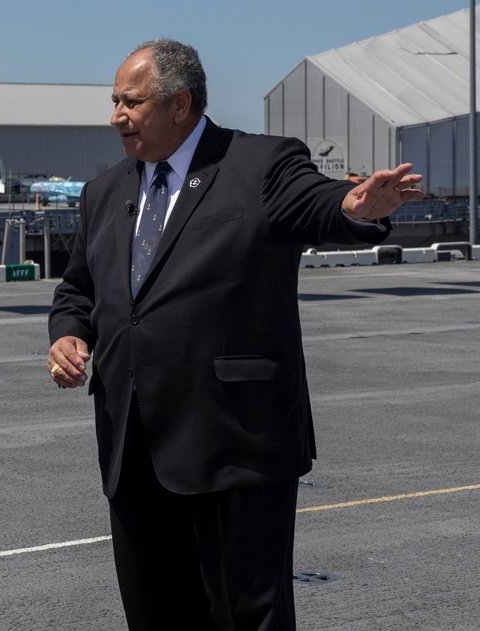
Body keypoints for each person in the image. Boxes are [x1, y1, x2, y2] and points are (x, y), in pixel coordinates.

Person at [46, 40, 424, 630]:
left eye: (131, 102)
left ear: (181, 104)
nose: (116, 116)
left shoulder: (260, 164)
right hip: (133, 445)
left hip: (234, 444)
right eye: (115, 101)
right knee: (156, 615)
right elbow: (79, 289)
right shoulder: (104, 192)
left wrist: (354, 208)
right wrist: (68, 335)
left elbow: (318, 202)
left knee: (248, 617)